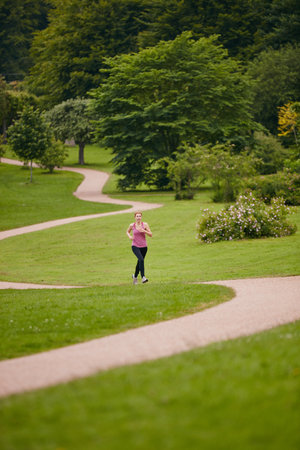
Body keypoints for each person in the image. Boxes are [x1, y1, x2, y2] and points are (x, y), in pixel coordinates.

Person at [126, 211, 152, 284]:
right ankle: (143, 277)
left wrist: (144, 231)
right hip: (135, 246)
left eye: (139, 216)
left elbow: (151, 234)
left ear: (141, 217)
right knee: (141, 259)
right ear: (135, 217)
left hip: (144, 247)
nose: (138, 217)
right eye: (137, 216)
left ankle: (135, 276)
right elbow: (127, 231)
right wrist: (130, 236)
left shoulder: (145, 224)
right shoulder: (132, 225)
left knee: (139, 261)